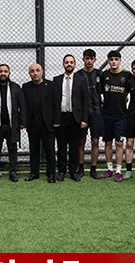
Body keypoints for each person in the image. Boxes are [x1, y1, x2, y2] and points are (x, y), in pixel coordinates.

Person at [0, 64, 27, 182]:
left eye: (5, 71)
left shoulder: (16, 87)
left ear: (9, 73)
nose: (3, 73)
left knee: (12, 149)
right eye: (1, 71)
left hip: (12, 125)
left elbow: (22, 105)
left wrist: (23, 121)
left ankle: (13, 171)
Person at [22, 63, 60, 183]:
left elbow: (56, 104)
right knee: (34, 149)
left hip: (47, 123)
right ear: (29, 73)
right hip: (32, 122)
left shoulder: (51, 85)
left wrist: (56, 121)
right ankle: (34, 173)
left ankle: (51, 174)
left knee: (49, 149)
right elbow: (23, 106)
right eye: (32, 71)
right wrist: (24, 121)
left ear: (42, 71)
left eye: (37, 70)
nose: (35, 73)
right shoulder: (25, 87)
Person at [54, 54, 89, 182]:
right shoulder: (57, 80)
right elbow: (54, 101)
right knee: (61, 146)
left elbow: (85, 101)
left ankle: (73, 171)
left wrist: (84, 119)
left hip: (75, 118)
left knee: (74, 147)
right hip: (61, 117)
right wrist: (55, 119)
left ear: (74, 64)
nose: (69, 64)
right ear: (63, 64)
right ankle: (61, 171)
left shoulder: (81, 80)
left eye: (71, 62)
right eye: (67, 62)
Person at [99, 50, 133, 182]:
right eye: (111, 59)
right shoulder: (104, 74)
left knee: (119, 143)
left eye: (116, 59)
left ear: (120, 60)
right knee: (108, 142)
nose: (114, 62)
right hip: (107, 114)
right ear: (108, 61)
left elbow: (133, 88)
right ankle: (109, 169)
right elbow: (100, 90)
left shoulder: (127, 75)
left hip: (121, 116)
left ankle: (118, 171)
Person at [75, 49, 103, 179]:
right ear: (83, 59)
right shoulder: (78, 75)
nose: (89, 61)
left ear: (95, 60)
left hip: (97, 112)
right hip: (82, 113)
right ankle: (80, 168)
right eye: (87, 58)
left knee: (95, 141)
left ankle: (93, 169)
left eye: (91, 59)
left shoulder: (100, 74)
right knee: (81, 140)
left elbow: (106, 90)